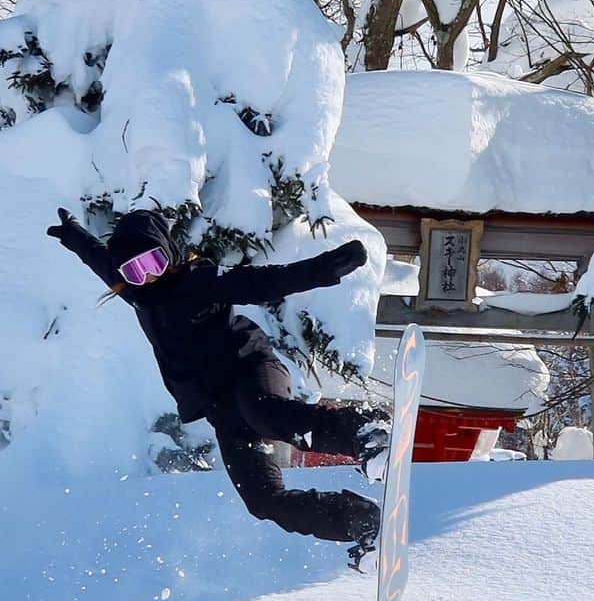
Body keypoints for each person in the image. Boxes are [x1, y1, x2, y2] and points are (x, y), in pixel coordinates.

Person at [48, 206, 389, 569]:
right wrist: (74, 237)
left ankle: (364, 433)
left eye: (154, 262)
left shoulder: (198, 280)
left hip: (250, 368)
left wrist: (325, 268)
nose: (147, 277)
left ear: (169, 253)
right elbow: (102, 261)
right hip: (220, 406)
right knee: (263, 499)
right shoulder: (137, 293)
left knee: (265, 411)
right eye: (135, 270)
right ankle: (356, 519)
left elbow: (264, 281)